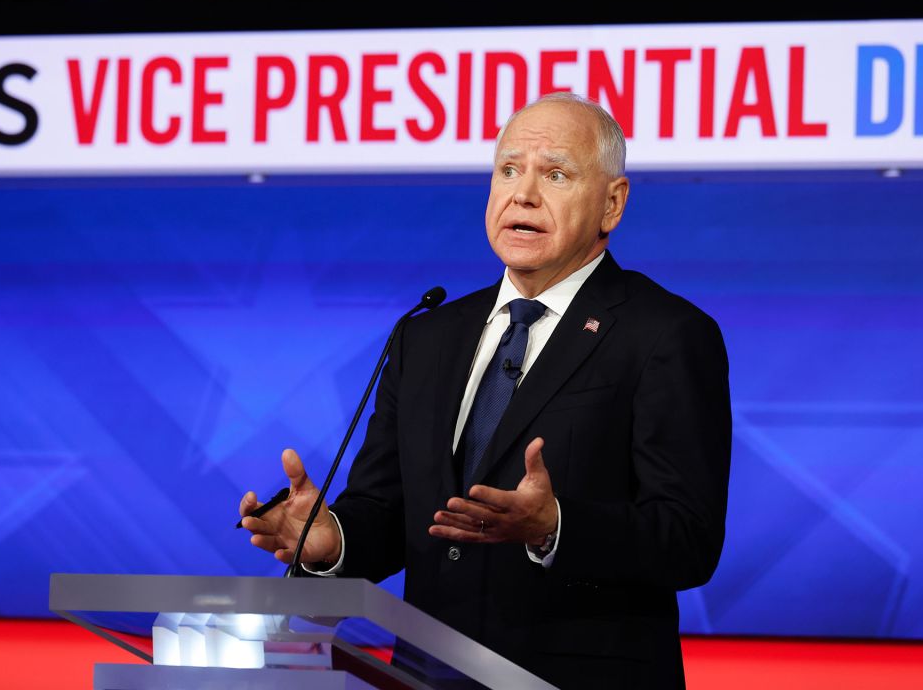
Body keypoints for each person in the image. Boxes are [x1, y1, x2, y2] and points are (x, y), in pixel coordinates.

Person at [239, 92, 731, 688]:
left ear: (612, 203)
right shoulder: (427, 337)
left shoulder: (665, 334)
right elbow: (389, 510)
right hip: (429, 675)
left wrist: (554, 526)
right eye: (508, 170)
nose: (523, 194)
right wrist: (331, 540)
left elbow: (687, 539)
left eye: (555, 173)